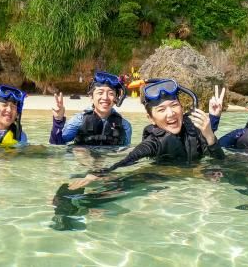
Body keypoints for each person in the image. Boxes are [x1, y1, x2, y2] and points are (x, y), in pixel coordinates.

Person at [67, 78, 224, 189]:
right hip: (163, 184)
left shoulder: (193, 129)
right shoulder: (154, 142)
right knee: (125, 185)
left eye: (174, 105)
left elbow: (220, 161)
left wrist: (209, 133)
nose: (170, 114)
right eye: (161, 110)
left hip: (192, 188)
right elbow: (131, 157)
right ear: (151, 118)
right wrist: (98, 173)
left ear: (182, 108)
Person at [50, 71, 132, 146]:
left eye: (111, 93)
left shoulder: (124, 125)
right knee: (80, 151)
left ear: (116, 98)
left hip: (110, 159)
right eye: (100, 93)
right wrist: (58, 120)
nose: (105, 97)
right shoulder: (78, 120)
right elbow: (57, 145)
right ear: (91, 97)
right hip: (84, 158)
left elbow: (125, 151)